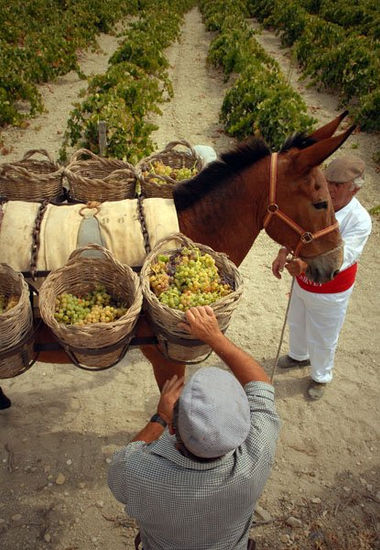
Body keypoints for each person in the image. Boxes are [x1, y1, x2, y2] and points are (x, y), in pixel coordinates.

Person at [108, 305, 280, 550]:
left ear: (173, 430)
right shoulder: (254, 461)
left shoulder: (137, 472)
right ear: (242, 431)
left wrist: (159, 417)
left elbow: (121, 462)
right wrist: (216, 337)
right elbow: (261, 385)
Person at [272, 155, 372, 400]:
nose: (332, 189)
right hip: (303, 281)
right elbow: (297, 230)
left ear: (355, 188)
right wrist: (284, 250)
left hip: (332, 291)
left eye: (339, 185)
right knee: (297, 320)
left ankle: (320, 376)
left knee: (324, 335)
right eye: (329, 182)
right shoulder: (316, 202)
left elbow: (343, 256)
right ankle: (298, 355)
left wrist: (304, 264)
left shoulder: (359, 220)